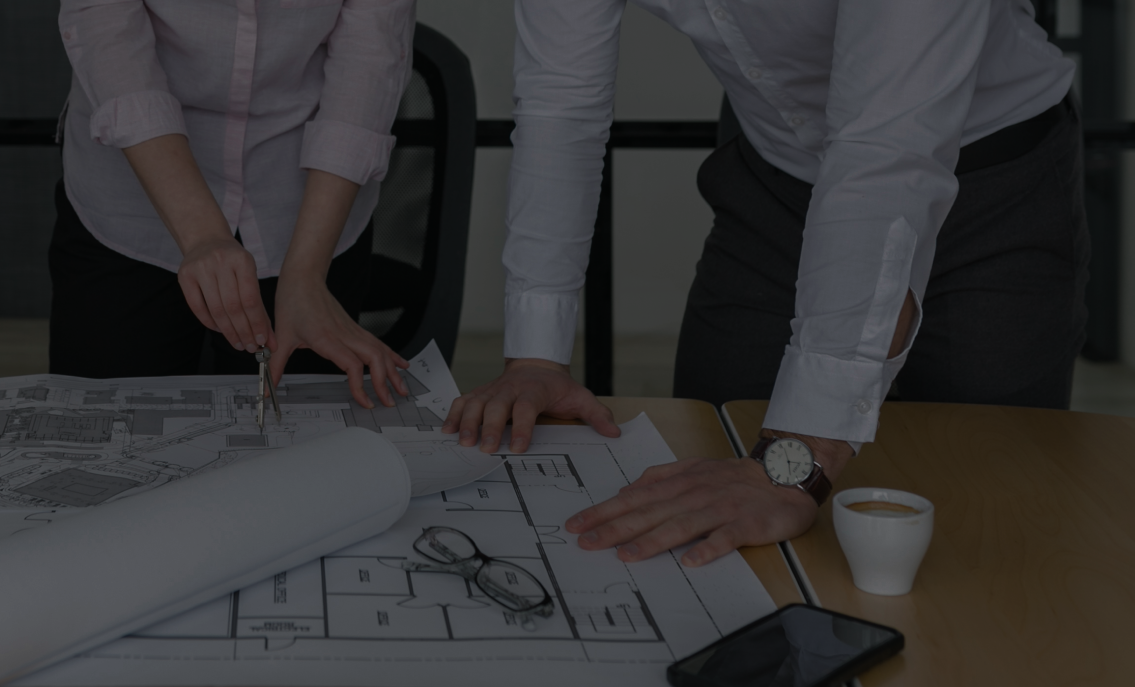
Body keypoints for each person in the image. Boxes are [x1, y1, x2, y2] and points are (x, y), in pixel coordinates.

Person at [446, 1, 1081, 566]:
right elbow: (561, 103)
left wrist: (799, 457)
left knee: (987, 504)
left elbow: (885, 153)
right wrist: (536, 355)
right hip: (778, 179)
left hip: (993, 179)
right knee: (715, 472)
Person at [50, 0, 417, 407]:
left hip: (309, 205)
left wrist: (306, 274)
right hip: (135, 189)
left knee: (298, 428)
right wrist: (204, 235)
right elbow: (106, 27)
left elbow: (369, 54)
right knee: (109, 418)